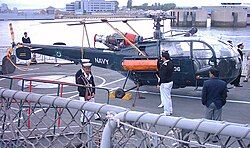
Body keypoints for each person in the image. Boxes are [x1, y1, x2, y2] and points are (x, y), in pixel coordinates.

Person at [202, 68, 228, 142]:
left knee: (207, 120)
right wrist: (222, 103)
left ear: (212, 74)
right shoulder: (223, 83)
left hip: (209, 103)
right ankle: (215, 137)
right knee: (217, 121)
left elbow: (204, 94)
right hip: (218, 103)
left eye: (210, 73)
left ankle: (206, 137)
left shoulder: (206, 83)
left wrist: (204, 102)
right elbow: (224, 95)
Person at [157, 51, 174, 115]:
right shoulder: (170, 63)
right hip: (170, 81)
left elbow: (162, 76)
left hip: (165, 83)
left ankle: (166, 111)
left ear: (164, 57)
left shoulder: (164, 65)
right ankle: (170, 110)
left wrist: (159, 84)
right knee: (168, 97)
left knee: (165, 98)